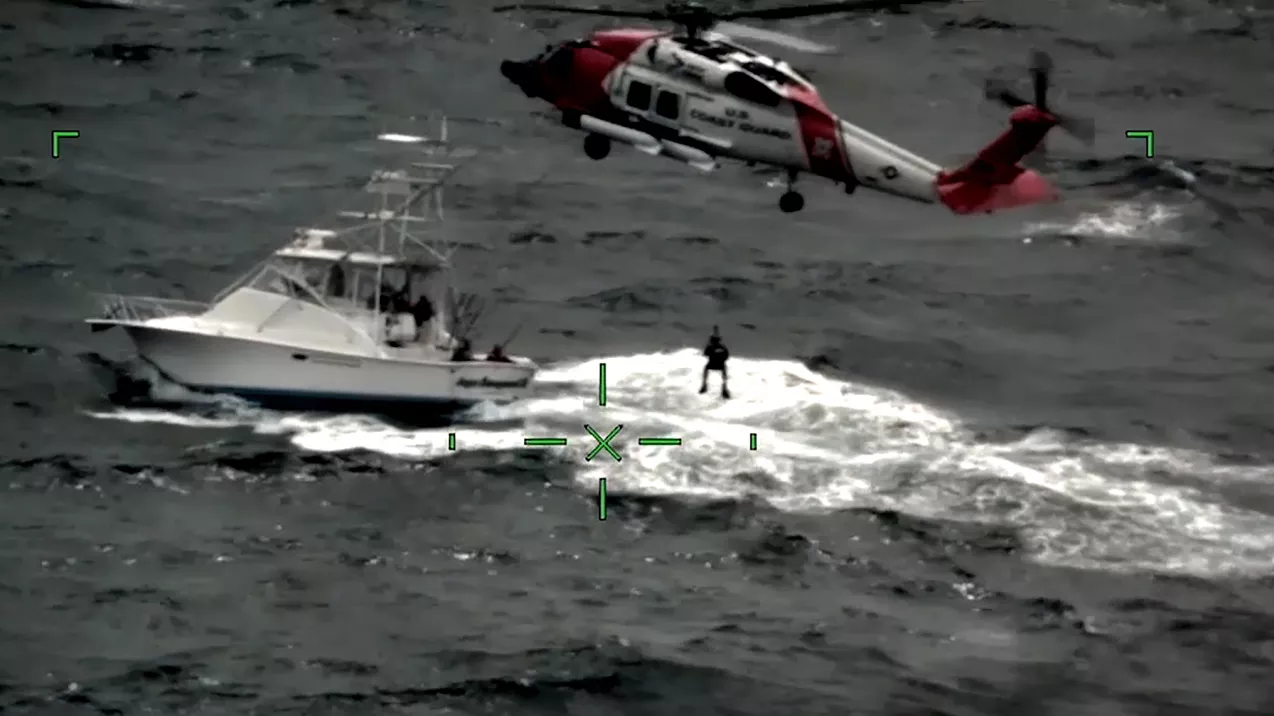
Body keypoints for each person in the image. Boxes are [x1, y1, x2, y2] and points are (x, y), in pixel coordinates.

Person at [699, 326, 730, 399]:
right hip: (720, 365)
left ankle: (704, 385)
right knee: (724, 369)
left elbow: (705, 353)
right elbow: (727, 356)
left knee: (706, 368)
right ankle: (724, 388)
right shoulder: (723, 346)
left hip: (712, 364)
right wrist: (721, 359)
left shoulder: (710, 346)